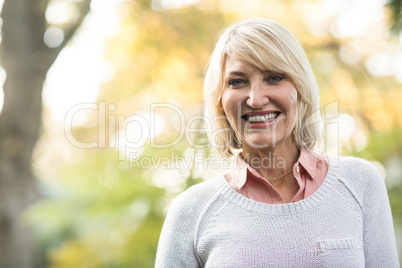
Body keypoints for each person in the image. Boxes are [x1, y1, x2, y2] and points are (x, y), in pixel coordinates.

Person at [155, 18, 400, 267]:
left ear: (300, 88)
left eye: (273, 77)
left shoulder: (360, 183)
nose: (256, 99)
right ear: (220, 100)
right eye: (237, 81)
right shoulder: (191, 211)